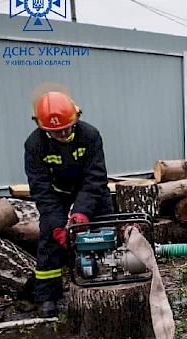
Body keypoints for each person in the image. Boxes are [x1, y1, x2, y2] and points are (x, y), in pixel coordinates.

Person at [24, 91, 113, 317]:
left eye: (66, 128)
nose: (63, 133)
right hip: (57, 195)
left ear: (76, 118)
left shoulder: (90, 135)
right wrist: (56, 225)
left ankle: (108, 277)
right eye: (56, 131)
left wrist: (82, 212)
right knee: (48, 241)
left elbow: (95, 177)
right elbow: (41, 189)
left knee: (105, 231)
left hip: (92, 192)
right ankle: (47, 297)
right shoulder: (34, 145)